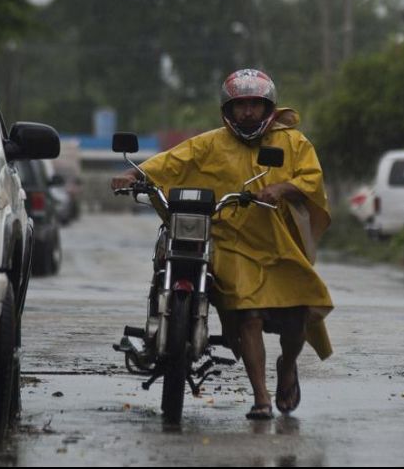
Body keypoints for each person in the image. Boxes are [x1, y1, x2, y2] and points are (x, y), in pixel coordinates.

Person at [111, 69, 334, 420]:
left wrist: (281, 188)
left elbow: (311, 178)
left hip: (278, 244)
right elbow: (172, 161)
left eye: (254, 105)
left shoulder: (292, 142)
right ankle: (261, 399)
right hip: (228, 241)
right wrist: (134, 175)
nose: (247, 112)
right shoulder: (209, 143)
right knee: (247, 315)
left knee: (298, 316)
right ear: (227, 111)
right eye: (240, 105)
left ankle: (287, 366)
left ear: (268, 108)